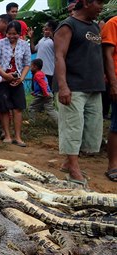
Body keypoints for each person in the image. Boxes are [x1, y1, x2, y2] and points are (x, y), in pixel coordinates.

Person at [55, 0, 104, 186]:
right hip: (73, 85)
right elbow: (59, 55)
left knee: (91, 129)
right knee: (73, 127)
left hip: (93, 86)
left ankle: (68, 162)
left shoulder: (94, 27)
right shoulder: (68, 25)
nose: (101, 7)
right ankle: (74, 169)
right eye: (99, 2)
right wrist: (63, 86)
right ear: (85, 2)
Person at [0, 20, 31, 146]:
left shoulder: (24, 45)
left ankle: (18, 137)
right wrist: (4, 75)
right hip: (2, 80)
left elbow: (27, 64)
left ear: (19, 33)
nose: (11, 36)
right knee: (4, 108)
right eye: (9, 33)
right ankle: (7, 135)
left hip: (17, 80)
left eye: (14, 34)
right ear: (6, 33)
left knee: (18, 108)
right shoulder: (0, 44)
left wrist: (21, 78)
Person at [103, 14, 117, 182]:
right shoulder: (113, 23)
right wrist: (113, 83)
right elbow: (107, 55)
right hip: (116, 79)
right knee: (116, 124)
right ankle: (113, 165)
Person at [30, 20, 57, 88]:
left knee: (48, 94)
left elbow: (59, 49)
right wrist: (31, 38)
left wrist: (52, 36)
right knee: (37, 92)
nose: (43, 28)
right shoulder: (42, 40)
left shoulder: (55, 40)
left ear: (51, 29)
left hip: (48, 72)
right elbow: (33, 50)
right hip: (38, 72)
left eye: (46, 27)